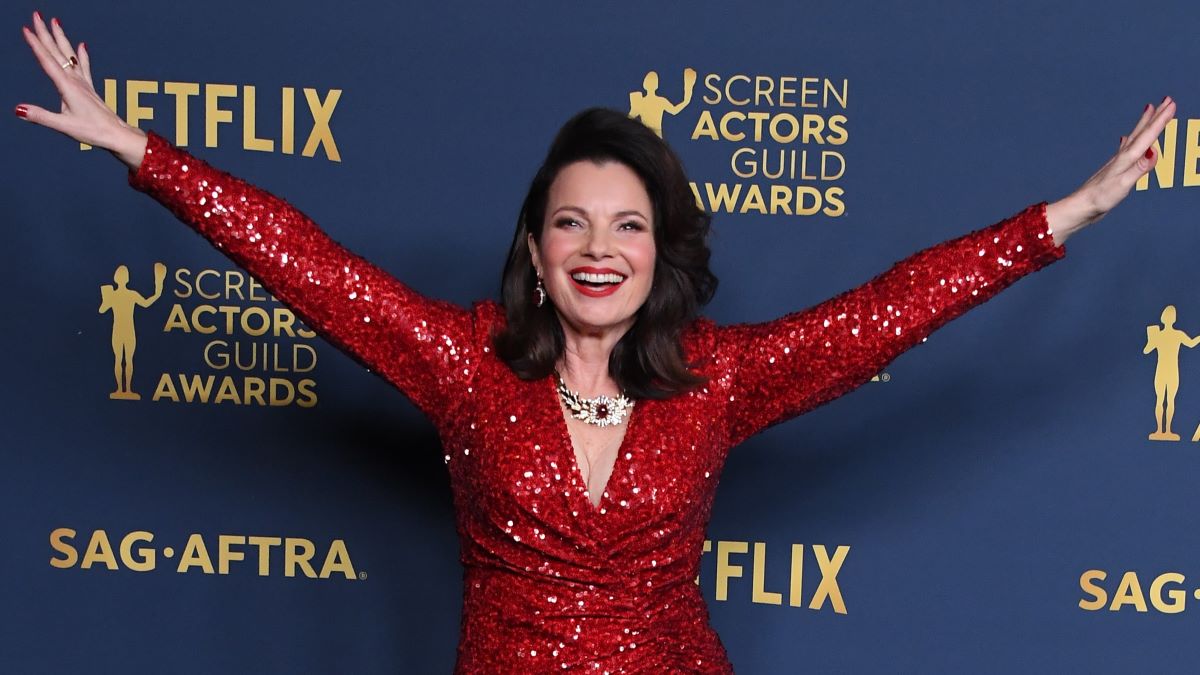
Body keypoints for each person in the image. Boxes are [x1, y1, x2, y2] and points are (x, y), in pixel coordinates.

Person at [15, 12, 1177, 674]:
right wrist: (139, 149)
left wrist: (1062, 216)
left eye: (628, 224)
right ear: (533, 246)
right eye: (571, 220)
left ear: (660, 251)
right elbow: (311, 267)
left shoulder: (720, 377)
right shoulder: (465, 361)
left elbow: (890, 307)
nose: (598, 246)